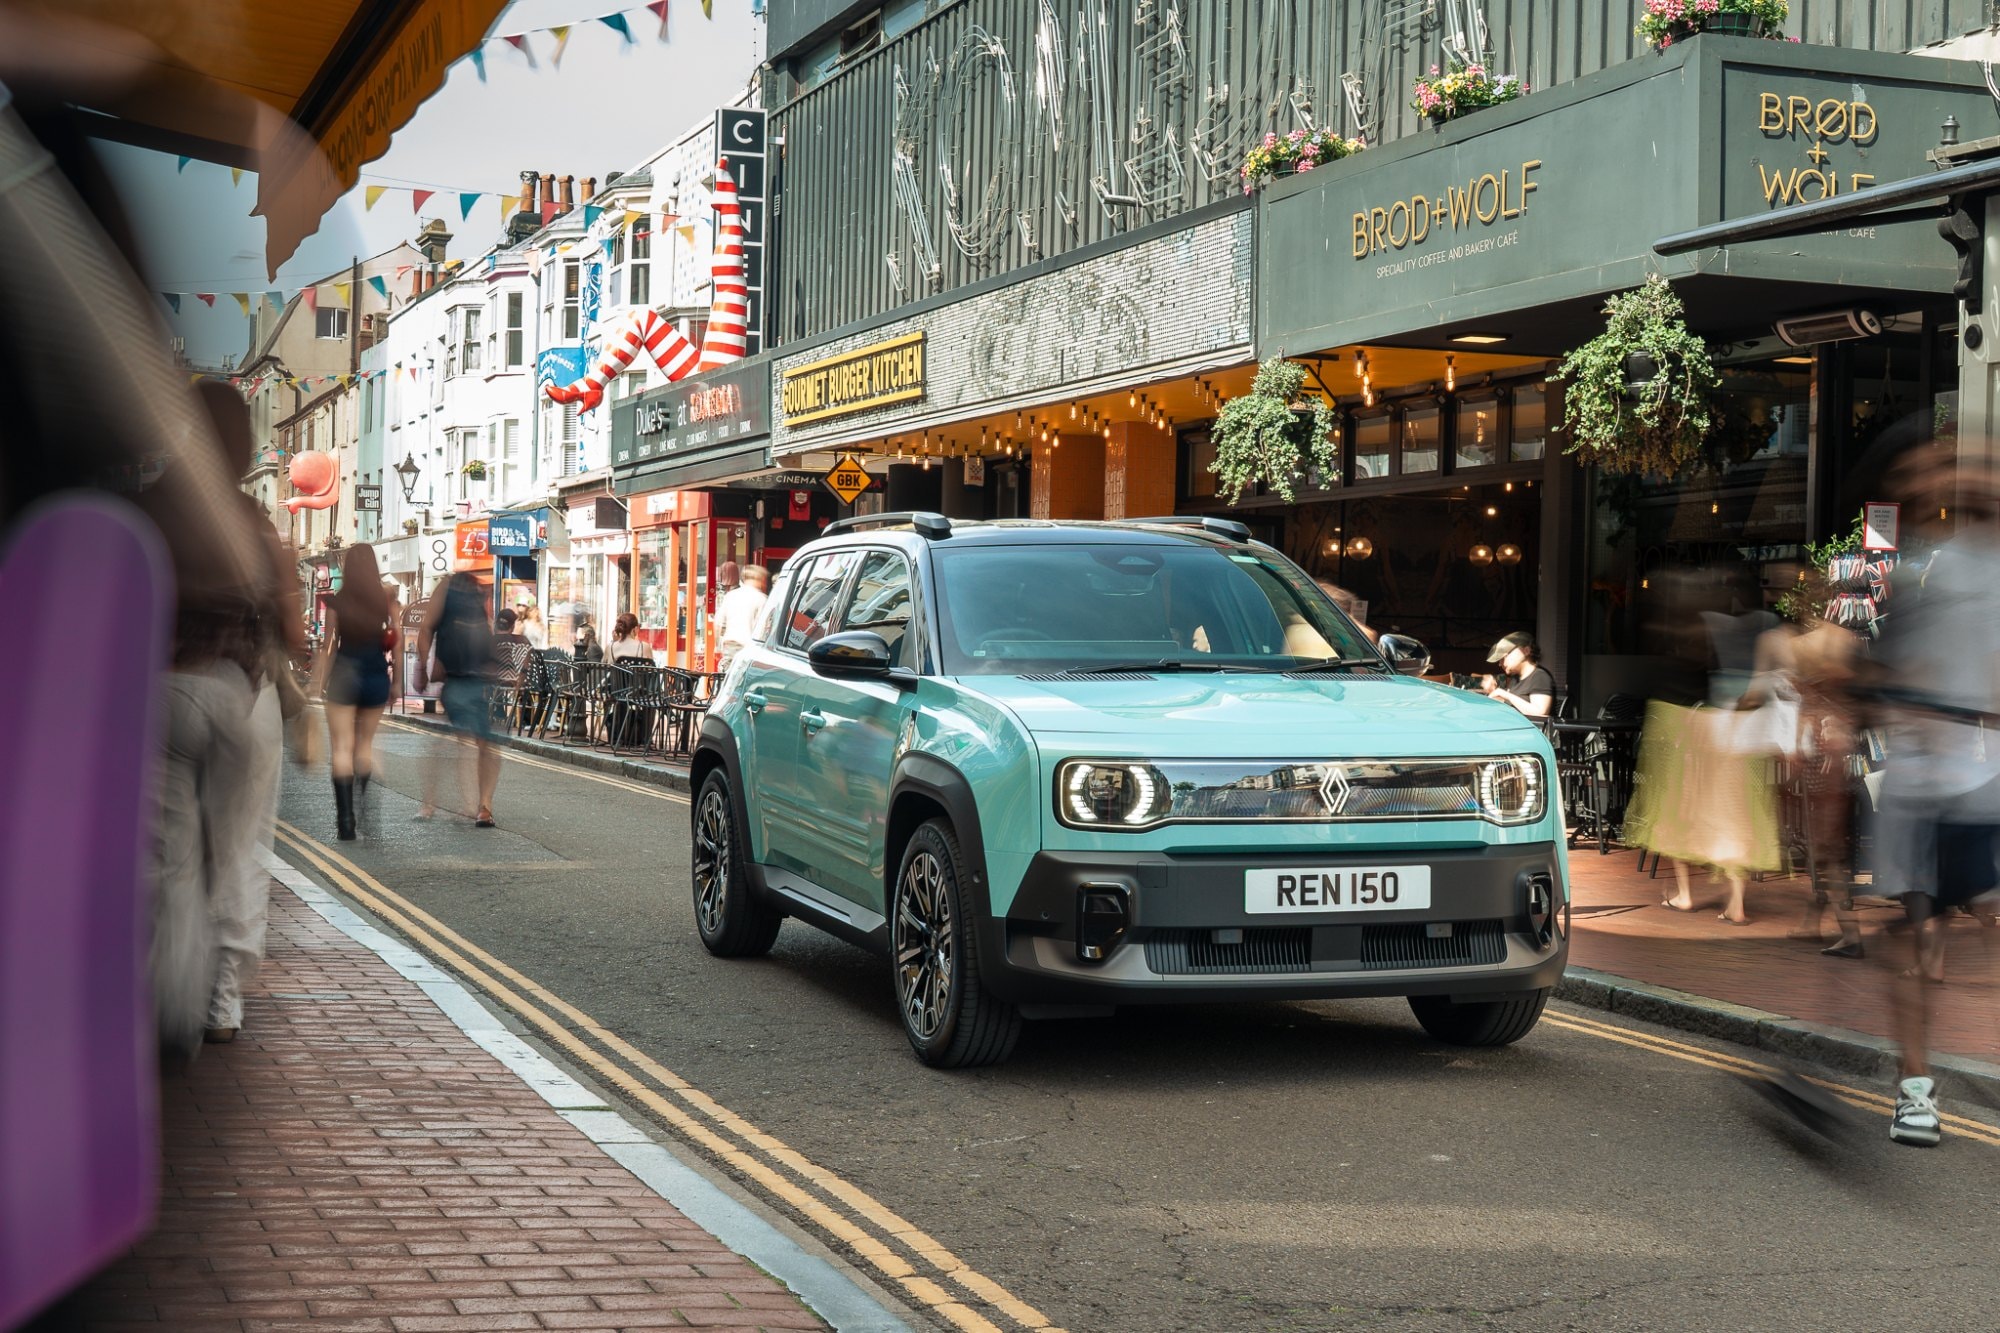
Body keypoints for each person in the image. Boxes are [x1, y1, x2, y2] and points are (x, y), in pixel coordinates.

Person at [316, 544, 393, 841]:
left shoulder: (335, 602)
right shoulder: (385, 600)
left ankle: (345, 821)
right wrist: (396, 681)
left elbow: (329, 646)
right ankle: (364, 810)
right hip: (375, 672)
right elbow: (394, 639)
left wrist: (317, 682)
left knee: (342, 748)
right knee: (364, 747)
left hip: (345, 672)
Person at [421, 573, 504, 828]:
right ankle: (482, 807)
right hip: (475, 678)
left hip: (458, 677)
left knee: (465, 743)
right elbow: (487, 629)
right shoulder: (474, 593)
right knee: (483, 743)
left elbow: (426, 628)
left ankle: (465, 805)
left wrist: (425, 665)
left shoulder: (448, 588)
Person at [1479, 631, 1554, 718]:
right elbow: (1511, 703)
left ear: (1526, 651)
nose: (1500, 663)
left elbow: (1540, 713)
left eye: (1505, 656)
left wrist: (1504, 694)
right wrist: (1494, 691)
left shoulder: (1540, 677)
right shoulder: (1516, 679)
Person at [715, 564, 771, 670]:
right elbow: (765, 629)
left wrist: (718, 646)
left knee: (726, 680)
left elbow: (718, 623)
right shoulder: (762, 599)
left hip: (730, 646)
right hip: (750, 648)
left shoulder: (730, 596)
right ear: (759, 579)